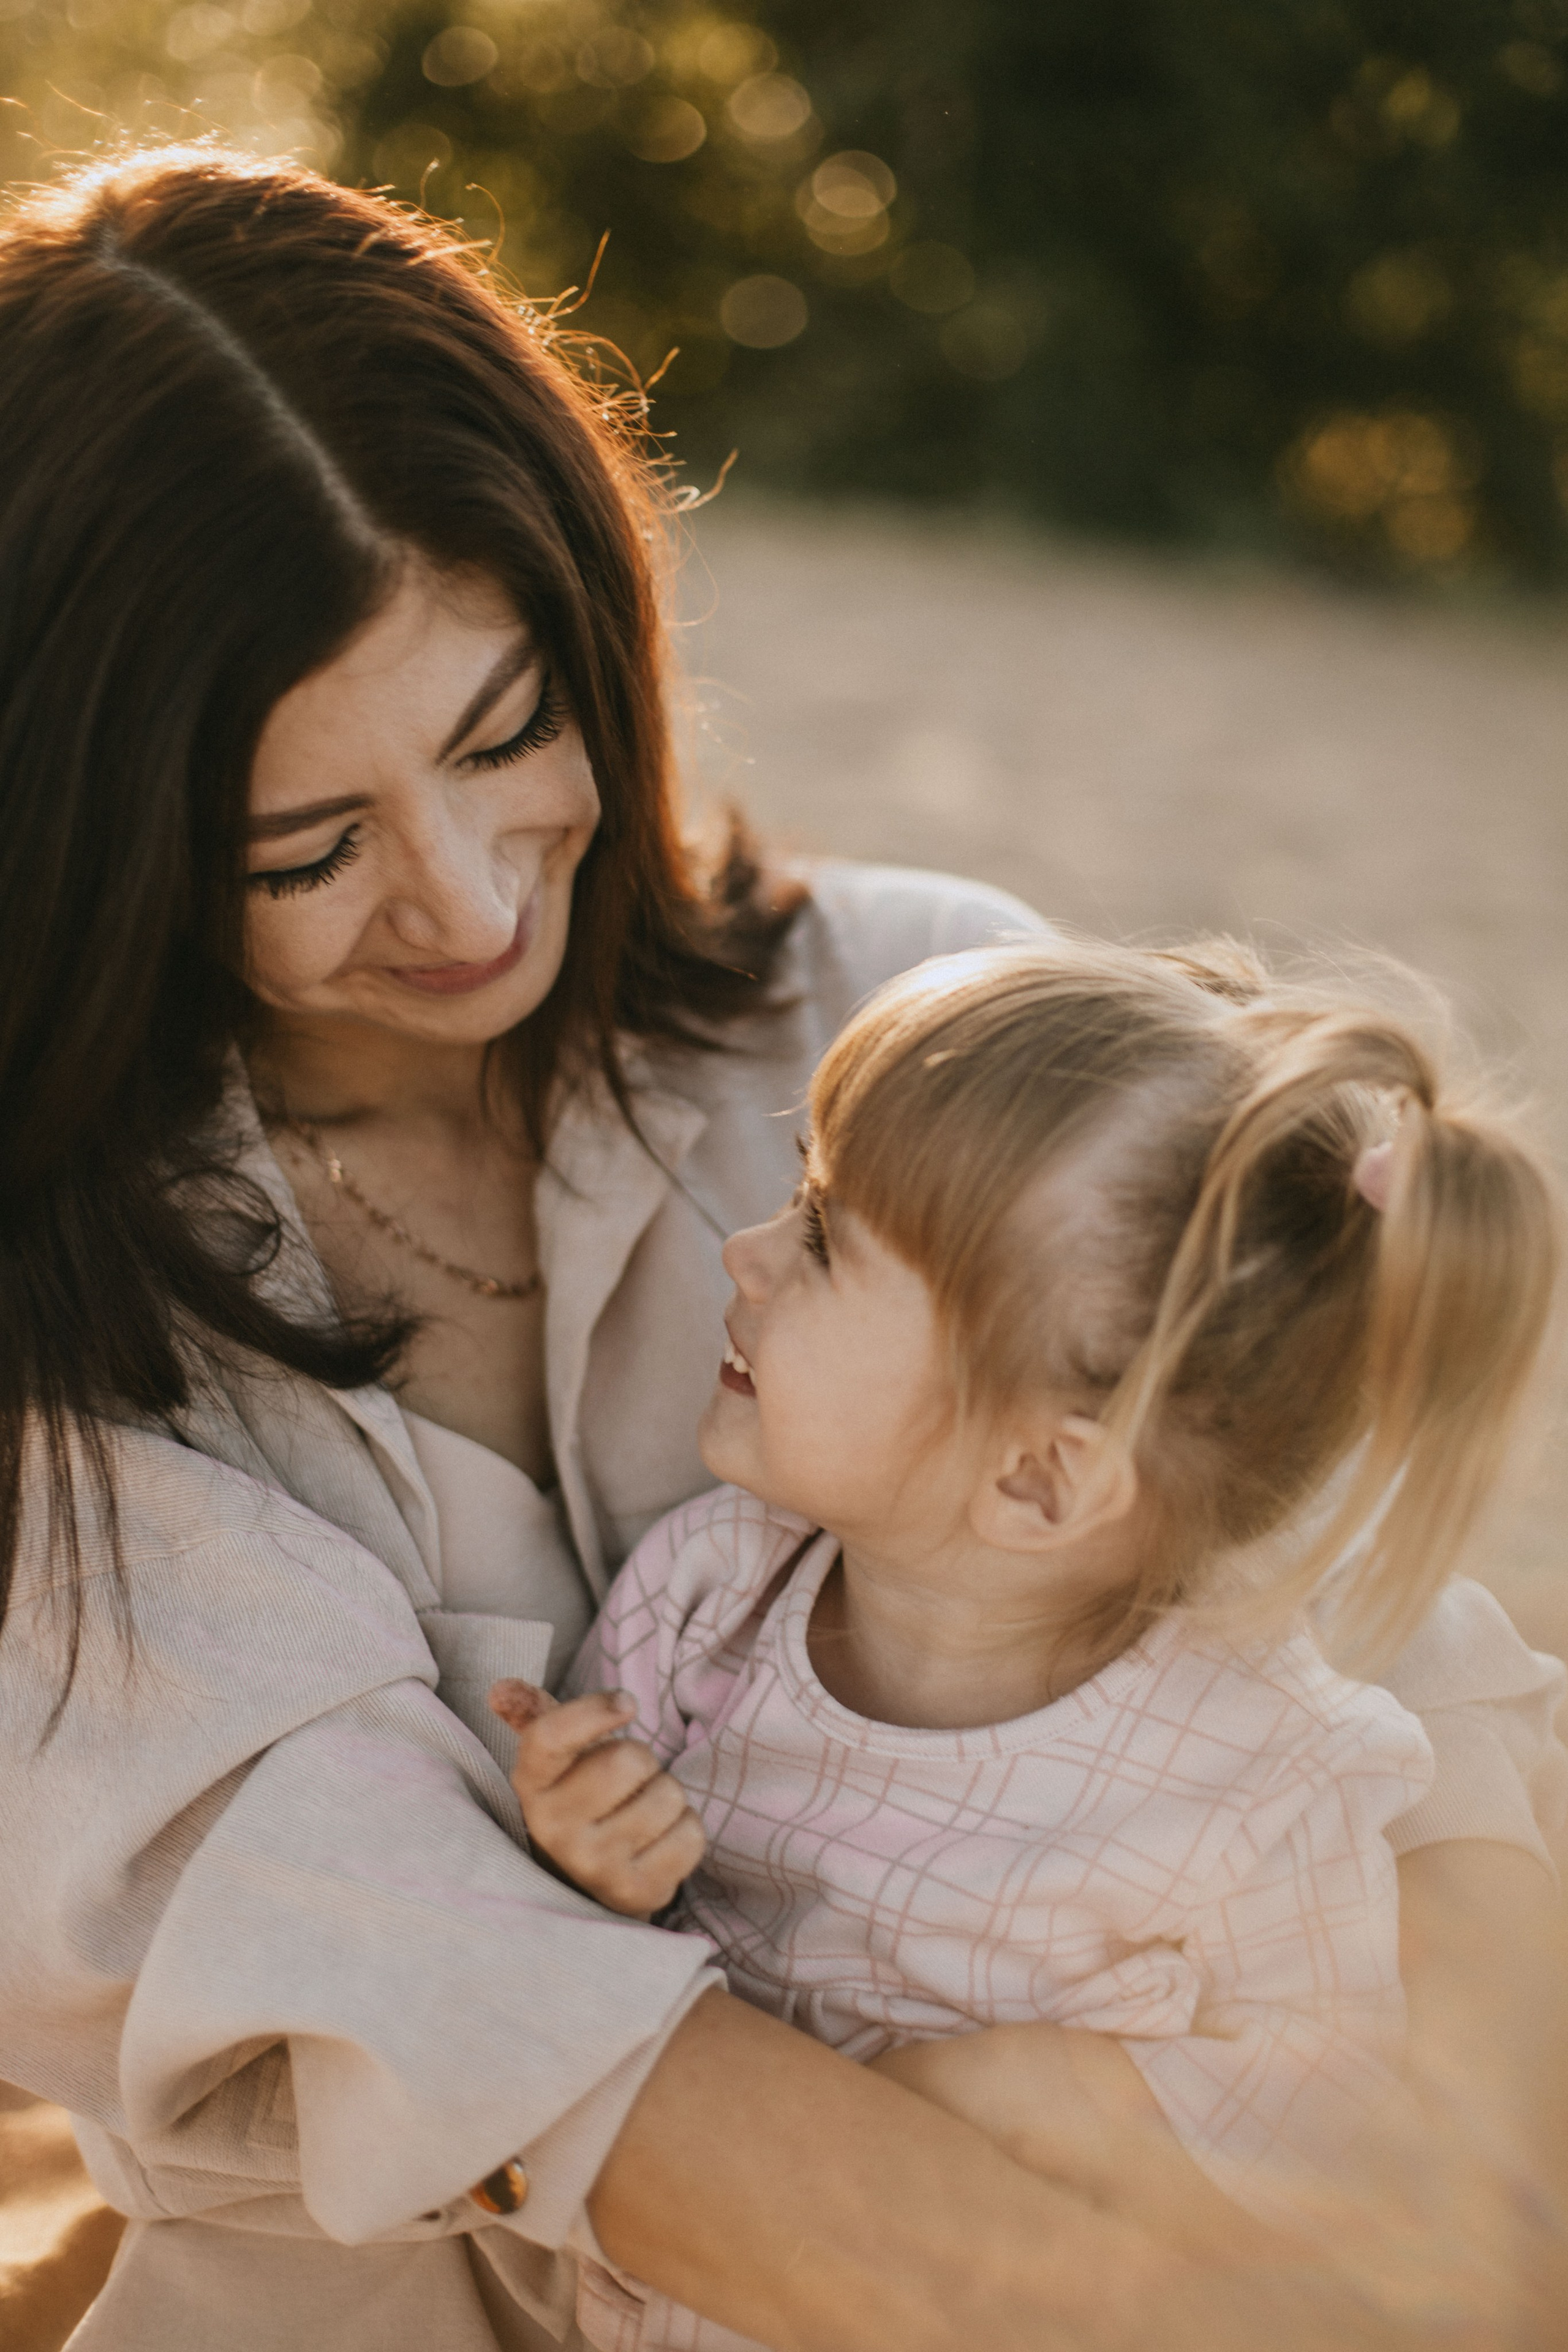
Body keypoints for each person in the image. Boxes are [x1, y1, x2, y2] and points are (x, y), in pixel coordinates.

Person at [0, 143, 1562, 2352]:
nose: (470, 903)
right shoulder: (56, 1348)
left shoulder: (915, 1005)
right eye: (307, 849)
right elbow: (516, 2038)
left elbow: (1402, 1680)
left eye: (509, 732)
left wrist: (1494, 2231)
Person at [497, 936, 1559, 2351]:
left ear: (1039, 1482)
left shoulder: (1259, 1776)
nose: (744, 1252)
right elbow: (574, 1936)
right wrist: (587, 1853)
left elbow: (1337, 2126)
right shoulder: (708, 1593)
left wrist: (1057, 2099)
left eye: (821, 1240)